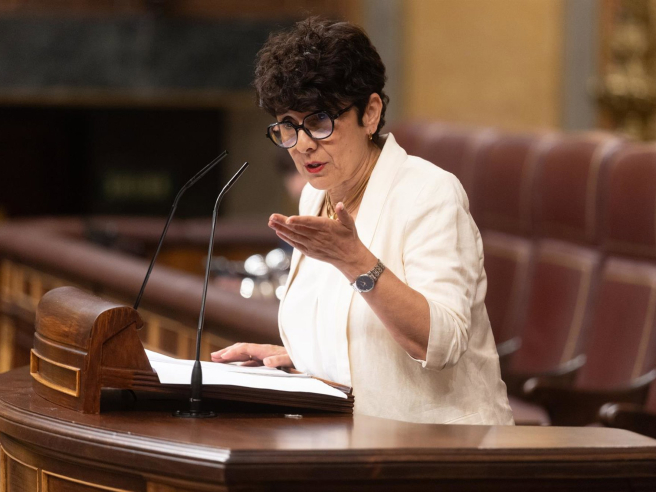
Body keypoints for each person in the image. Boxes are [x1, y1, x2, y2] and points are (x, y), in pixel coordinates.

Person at [212, 17, 514, 425]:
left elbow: (442, 343)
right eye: (288, 126)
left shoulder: (429, 194)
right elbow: (353, 335)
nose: (302, 145)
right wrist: (298, 361)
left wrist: (355, 261)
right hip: (345, 442)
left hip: (442, 446)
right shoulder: (315, 194)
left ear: (370, 113)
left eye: (319, 122)